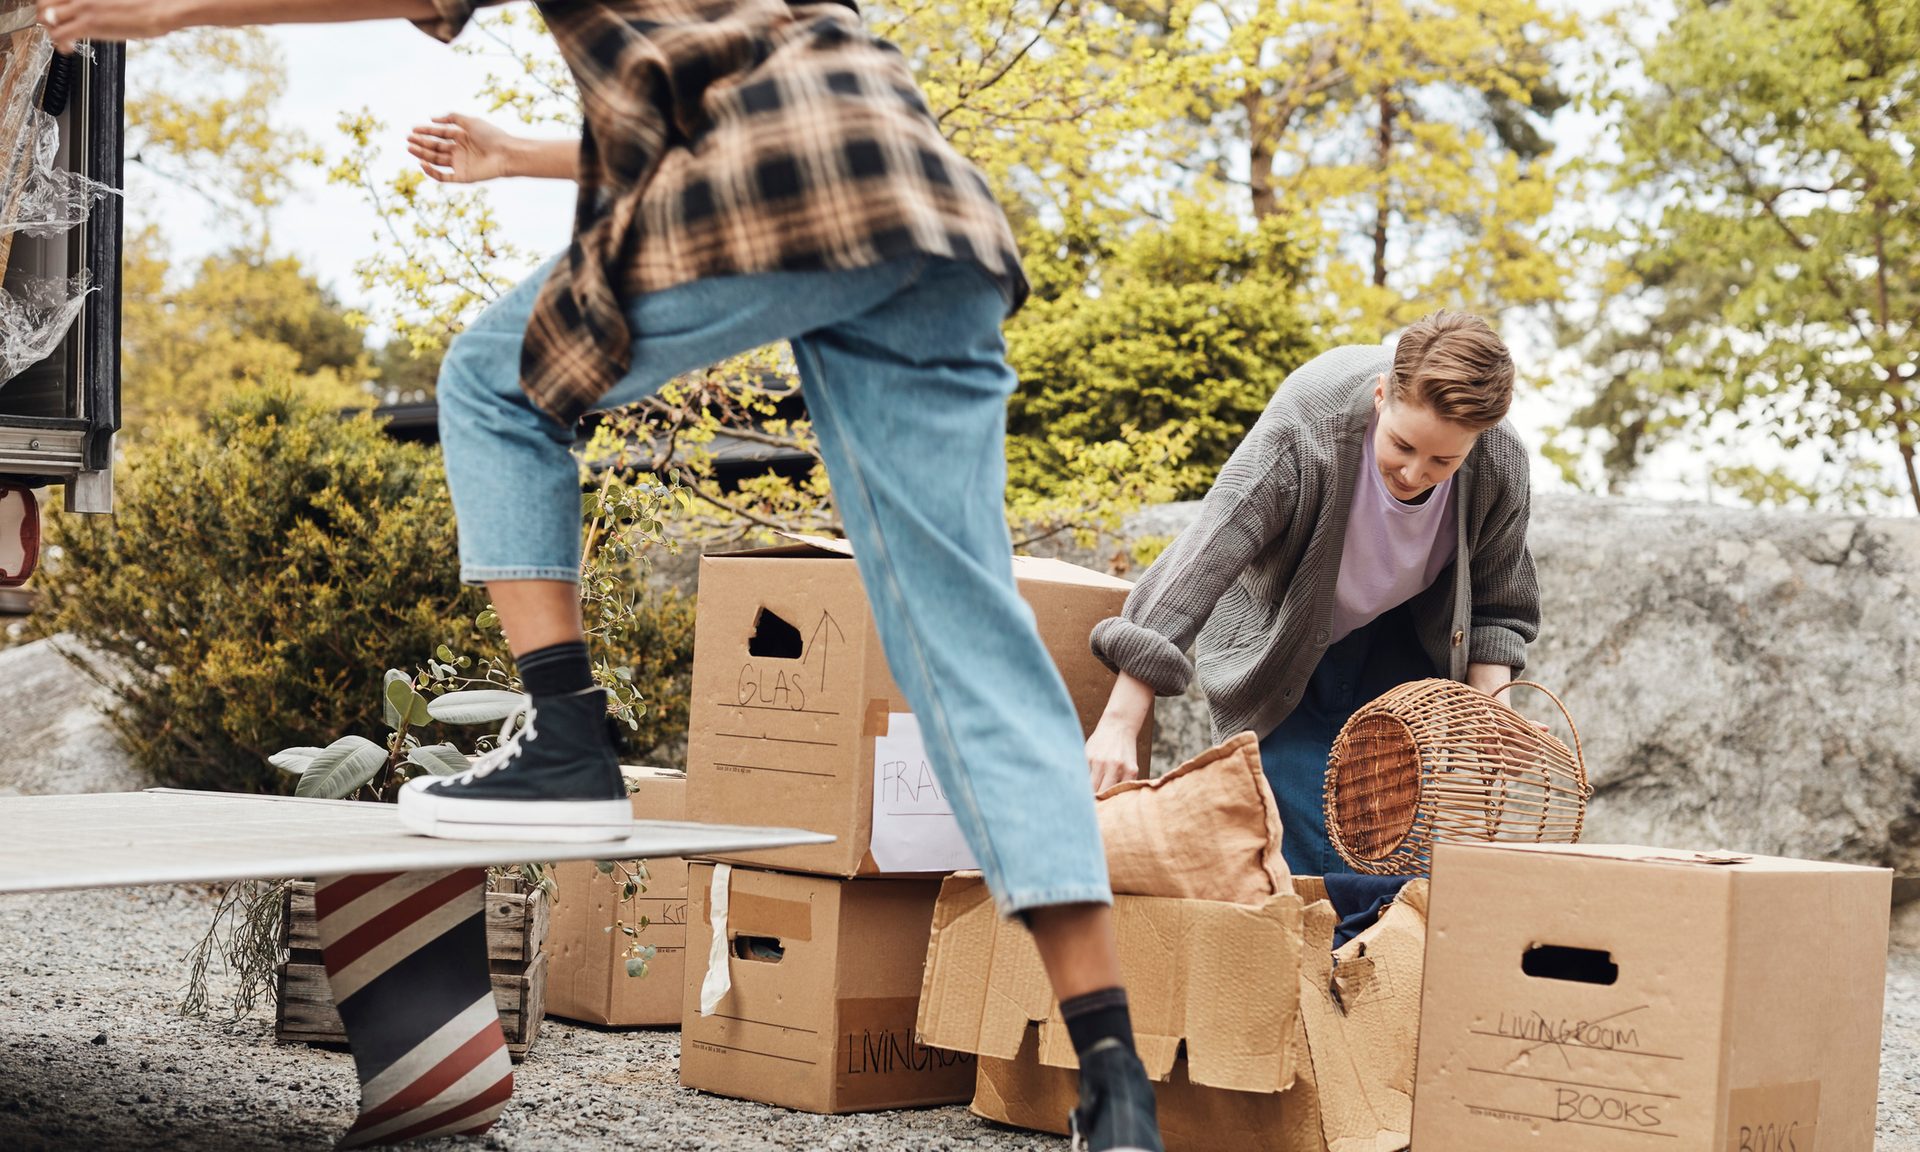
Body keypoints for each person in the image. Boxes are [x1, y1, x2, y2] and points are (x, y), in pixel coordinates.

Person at [42, 2, 1163, 1147]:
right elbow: (723, 106)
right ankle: (1113, 1078)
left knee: (491, 381)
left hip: (792, 188)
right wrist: (521, 154)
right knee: (969, 637)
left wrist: (170, 12)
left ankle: (567, 738)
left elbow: (743, 142)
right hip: (931, 212)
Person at [1083, 314, 1540, 877]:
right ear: (1380, 395)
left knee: (1390, 852)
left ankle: (1370, 963)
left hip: (1406, 645)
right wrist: (1122, 720)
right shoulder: (1308, 422)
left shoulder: (1500, 461)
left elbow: (1499, 599)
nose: (1414, 473)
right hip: (1286, 630)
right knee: (1285, 845)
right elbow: (1206, 555)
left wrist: (1489, 713)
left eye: (1443, 461)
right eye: (1402, 445)